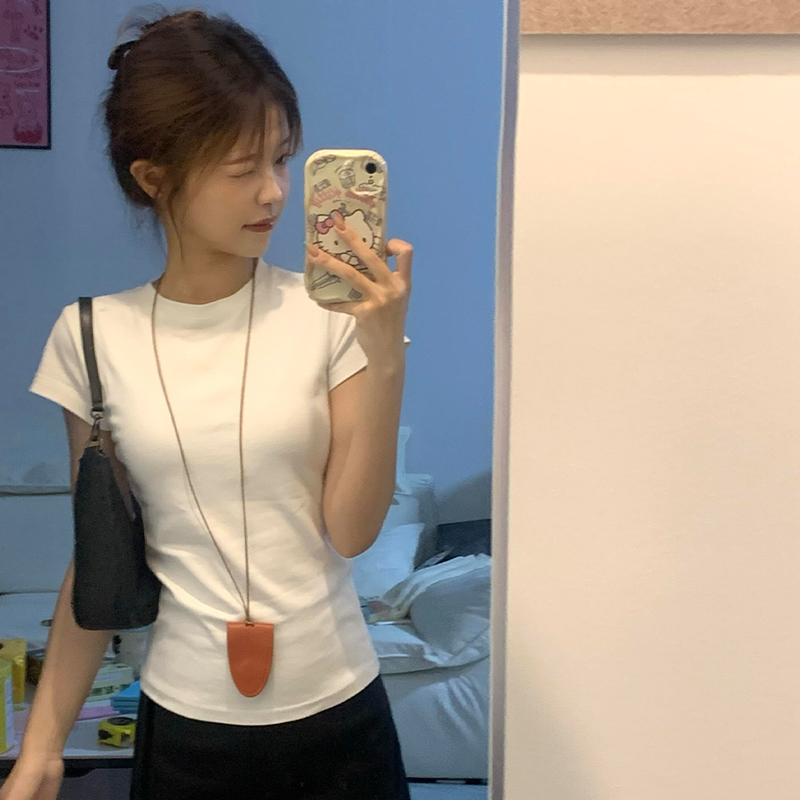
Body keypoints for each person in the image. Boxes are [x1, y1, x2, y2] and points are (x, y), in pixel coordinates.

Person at [0, 6, 413, 799]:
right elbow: (100, 554)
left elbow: (352, 530)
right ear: (154, 179)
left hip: (340, 720)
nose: (273, 192)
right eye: (240, 167)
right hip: (186, 729)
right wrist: (41, 748)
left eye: (282, 159)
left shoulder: (329, 317)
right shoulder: (91, 337)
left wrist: (385, 353)